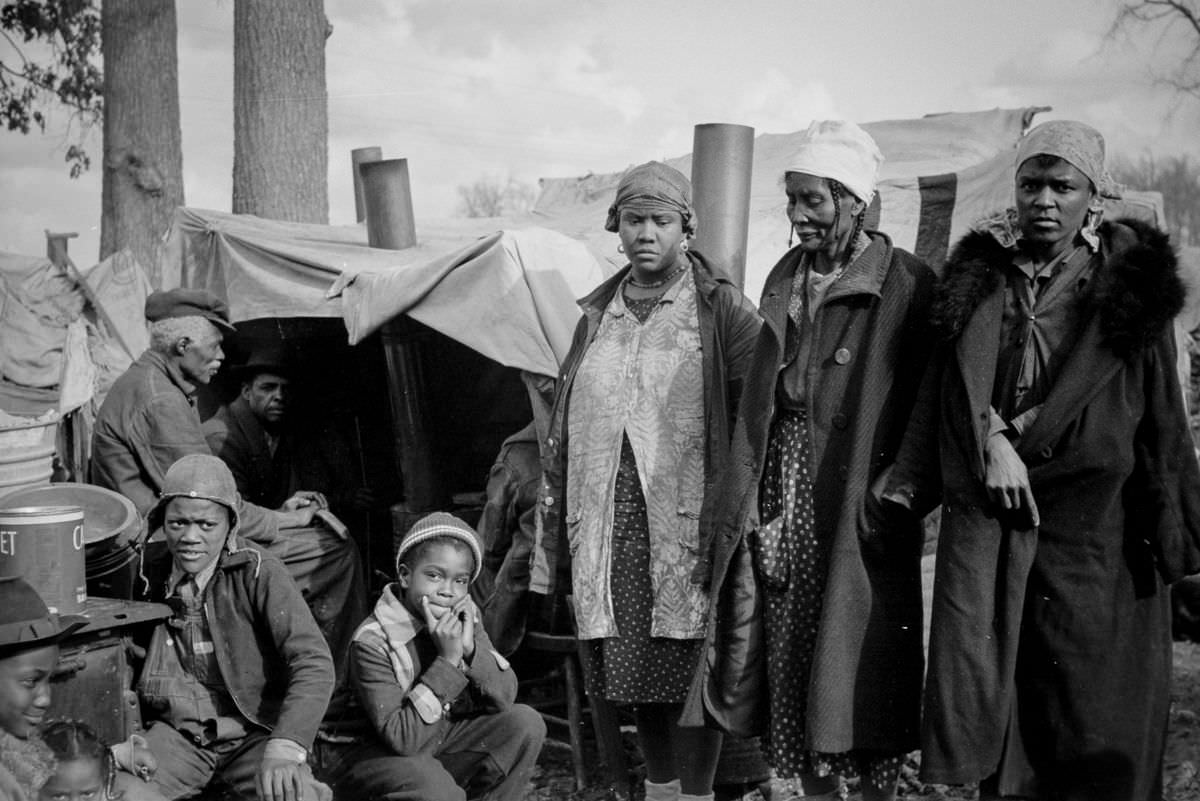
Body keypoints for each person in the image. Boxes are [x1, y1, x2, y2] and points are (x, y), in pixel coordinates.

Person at [882, 120, 1200, 800]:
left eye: (1064, 186)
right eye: (1032, 184)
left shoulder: (1125, 292)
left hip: (1099, 546)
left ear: (1095, 196)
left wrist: (1176, 537)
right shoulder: (978, 284)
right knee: (1012, 724)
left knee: (1095, 724)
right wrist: (985, 441)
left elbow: (1164, 425)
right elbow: (948, 392)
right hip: (1002, 537)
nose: (1045, 200)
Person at [685, 120, 934, 801]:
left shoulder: (905, 281)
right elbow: (760, 401)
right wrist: (747, 499)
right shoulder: (785, 276)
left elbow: (929, 404)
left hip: (860, 492)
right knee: (795, 655)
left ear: (855, 201)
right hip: (789, 483)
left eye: (813, 200)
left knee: (863, 665)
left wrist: (898, 490)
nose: (797, 215)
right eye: (791, 198)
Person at [535, 161, 761, 801]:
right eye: (634, 220)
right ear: (616, 225)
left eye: (661, 220)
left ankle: (693, 796)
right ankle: (660, 792)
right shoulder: (595, 317)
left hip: (690, 520)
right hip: (612, 519)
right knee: (635, 671)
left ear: (685, 227)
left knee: (694, 672)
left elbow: (755, 419)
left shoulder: (720, 312)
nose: (646, 233)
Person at [90, 289, 365, 706]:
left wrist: (274, 513)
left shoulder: (150, 384)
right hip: (164, 549)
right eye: (215, 344)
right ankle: (334, 687)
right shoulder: (160, 400)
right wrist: (289, 520)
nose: (221, 356)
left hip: (172, 536)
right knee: (333, 550)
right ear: (183, 345)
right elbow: (211, 503)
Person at [119, 454, 334, 801]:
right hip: (176, 737)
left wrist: (285, 747)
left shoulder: (259, 572)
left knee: (300, 797)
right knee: (121, 793)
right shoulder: (146, 572)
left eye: (206, 525)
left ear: (231, 525)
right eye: (178, 523)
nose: (190, 536)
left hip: (253, 734)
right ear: (162, 521)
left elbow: (314, 663)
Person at [336, 512, 545, 801]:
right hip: (372, 753)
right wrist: (448, 661)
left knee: (524, 723)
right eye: (434, 576)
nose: (447, 591)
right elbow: (401, 739)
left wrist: (471, 650)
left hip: (433, 738)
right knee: (438, 791)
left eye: (460, 581)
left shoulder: (463, 617)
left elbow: (504, 696)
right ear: (405, 575)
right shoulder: (373, 640)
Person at [203, 344, 377, 523]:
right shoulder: (222, 437)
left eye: (285, 389)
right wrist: (284, 515)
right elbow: (232, 516)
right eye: (268, 388)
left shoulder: (276, 431)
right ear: (247, 392)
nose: (279, 396)